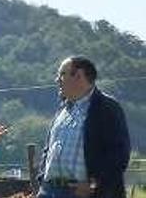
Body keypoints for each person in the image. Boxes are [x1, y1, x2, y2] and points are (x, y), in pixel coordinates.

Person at [36, 56, 130, 198]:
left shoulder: (106, 108)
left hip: (83, 193)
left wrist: (94, 184)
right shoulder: (63, 110)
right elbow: (48, 150)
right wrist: (42, 179)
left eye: (62, 74)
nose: (57, 80)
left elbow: (119, 154)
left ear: (79, 76)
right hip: (49, 191)